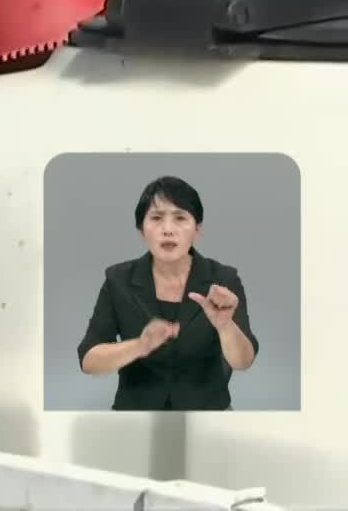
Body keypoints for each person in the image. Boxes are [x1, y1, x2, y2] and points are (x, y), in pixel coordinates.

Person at [75, 175, 258, 410]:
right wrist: (140, 345)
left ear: (197, 230)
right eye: (156, 218)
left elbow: (243, 362)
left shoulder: (223, 279)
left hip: (208, 413)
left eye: (180, 218)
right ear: (142, 231)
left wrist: (225, 326)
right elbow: (89, 360)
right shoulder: (118, 280)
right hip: (136, 414)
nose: (168, 230)